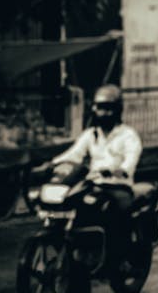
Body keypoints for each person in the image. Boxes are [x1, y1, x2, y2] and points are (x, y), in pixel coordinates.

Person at [49, 85, 141, 257]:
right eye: (99, 108)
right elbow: (74, 154)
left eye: (108, 109)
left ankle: (118, 256)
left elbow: (131, 160)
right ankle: (83, 252)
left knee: (116, 217)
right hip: (93, 184)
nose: (103, 113)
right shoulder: (91, 134)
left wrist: (120, 170)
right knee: (74, 210)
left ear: (117, 110)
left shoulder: (128, 135)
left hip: (118, 187)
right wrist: (51, 164)